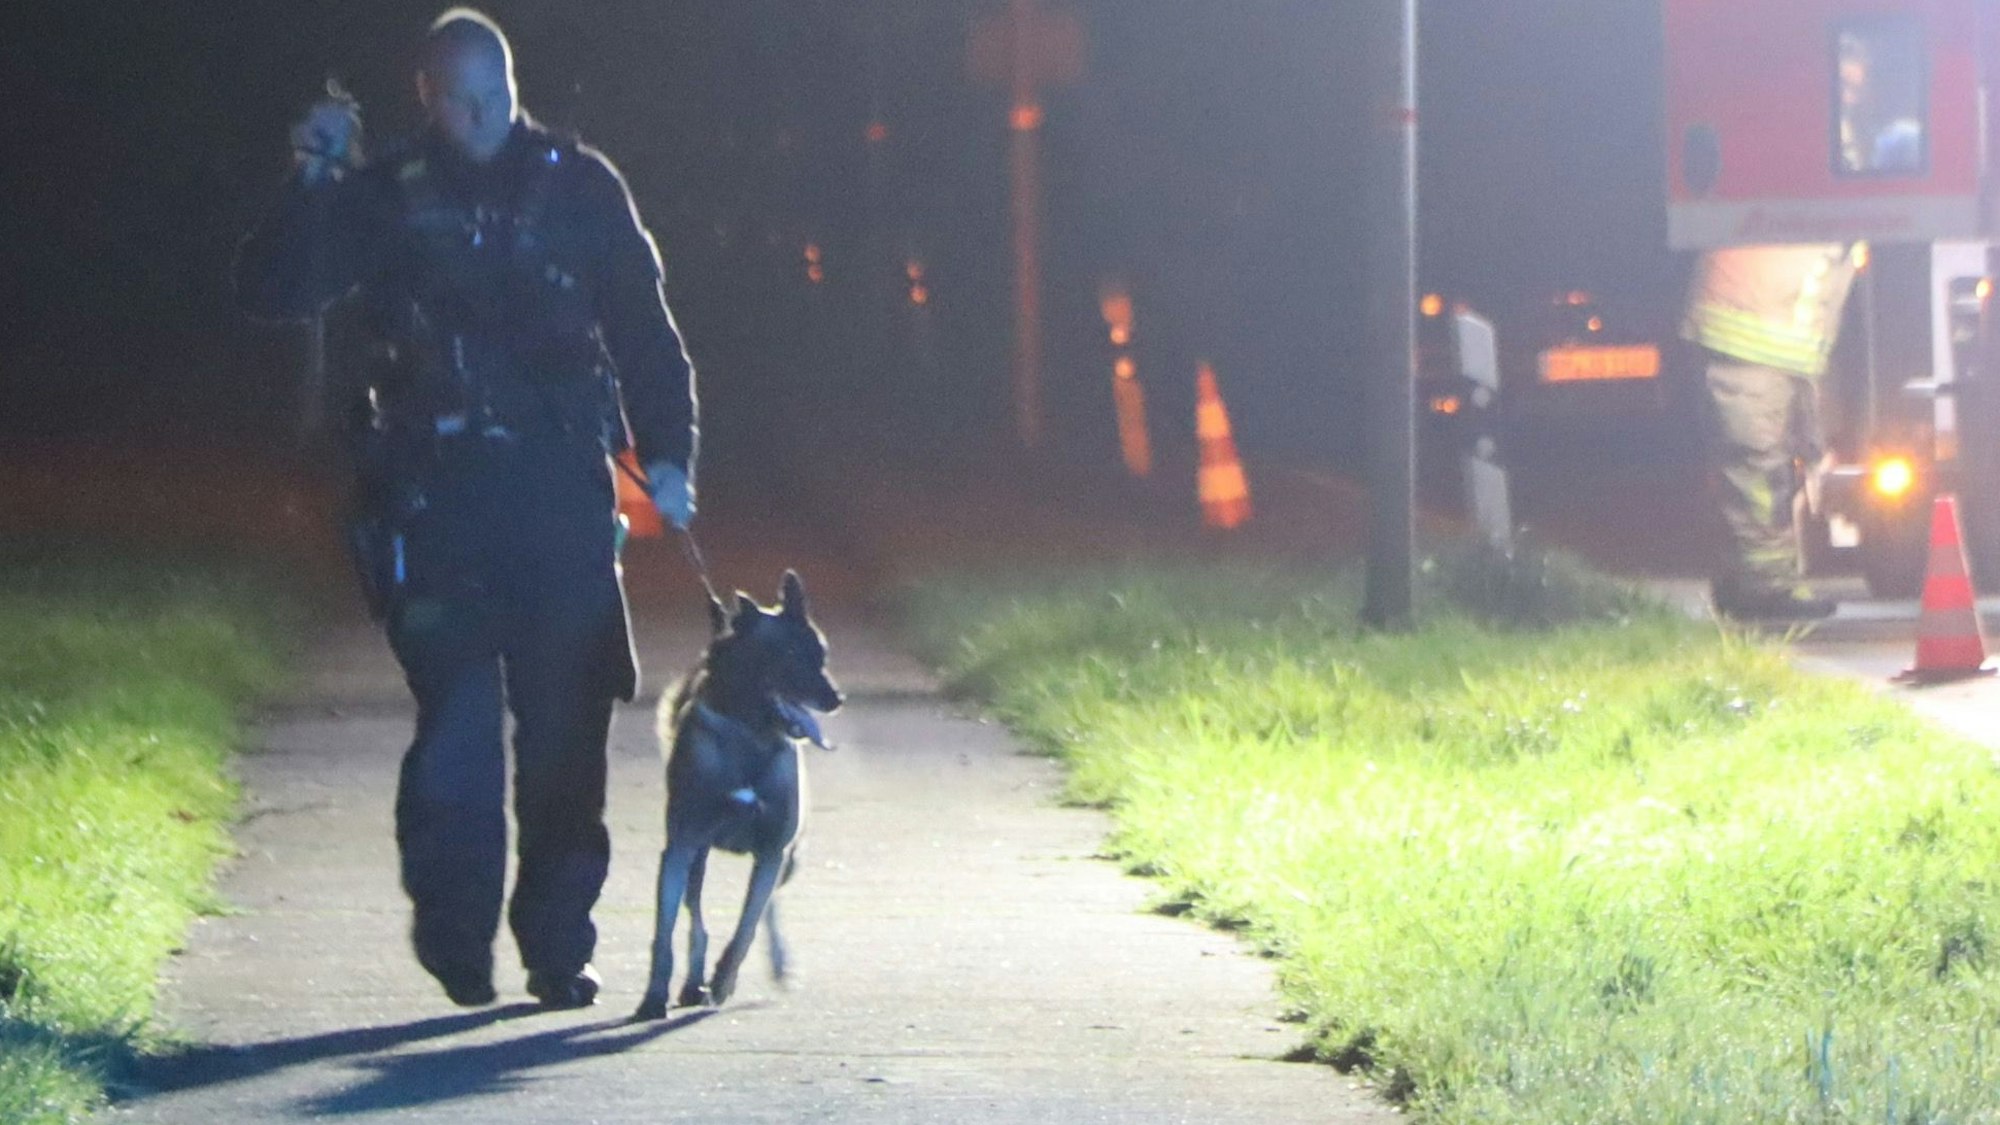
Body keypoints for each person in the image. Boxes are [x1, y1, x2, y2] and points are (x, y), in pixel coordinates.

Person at [235, 8, 697, 1009]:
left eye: (499, 98)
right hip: (435, 505)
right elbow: (274, 289)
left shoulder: (580, 187)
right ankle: (457, 940)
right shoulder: (386, 195)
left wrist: (668, 457)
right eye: (463, 102)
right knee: (456, 730)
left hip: (558, 500)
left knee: (566, 734)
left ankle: (558, 948)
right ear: (428, 100)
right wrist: (309, 181)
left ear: (514, 88)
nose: (484, 119)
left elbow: (643, 329)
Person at [1682, 244, 1860, 620]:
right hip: (1751, 350)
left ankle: (1744, 583)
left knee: (1759, 475)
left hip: (1764, 351)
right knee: (1758, 477)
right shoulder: (1815, 211)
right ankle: (1767, 588)